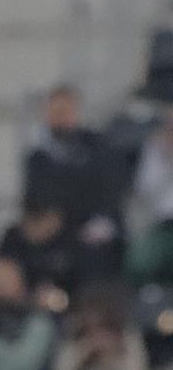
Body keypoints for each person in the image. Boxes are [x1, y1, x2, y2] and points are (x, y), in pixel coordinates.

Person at [23, 84, 124, 273]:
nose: (59, 118)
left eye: (64, 111)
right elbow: (34, 200)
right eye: (54, 112)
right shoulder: (38, 159)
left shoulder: (99, 148)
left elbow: (109, 191)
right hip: (54, 232)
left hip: (93, 229)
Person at [0, 191, 80, 315]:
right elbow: (0, 279)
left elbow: (82, 289)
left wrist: (59, 299)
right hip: (17, 309)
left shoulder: (71, 241)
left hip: (63, 312)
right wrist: (29, 297)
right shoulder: (12, 239)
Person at [127, 110, 173, 286]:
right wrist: (168, 161)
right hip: (159, 224)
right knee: (141, 260)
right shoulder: (154, 150)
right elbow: (146, 193)